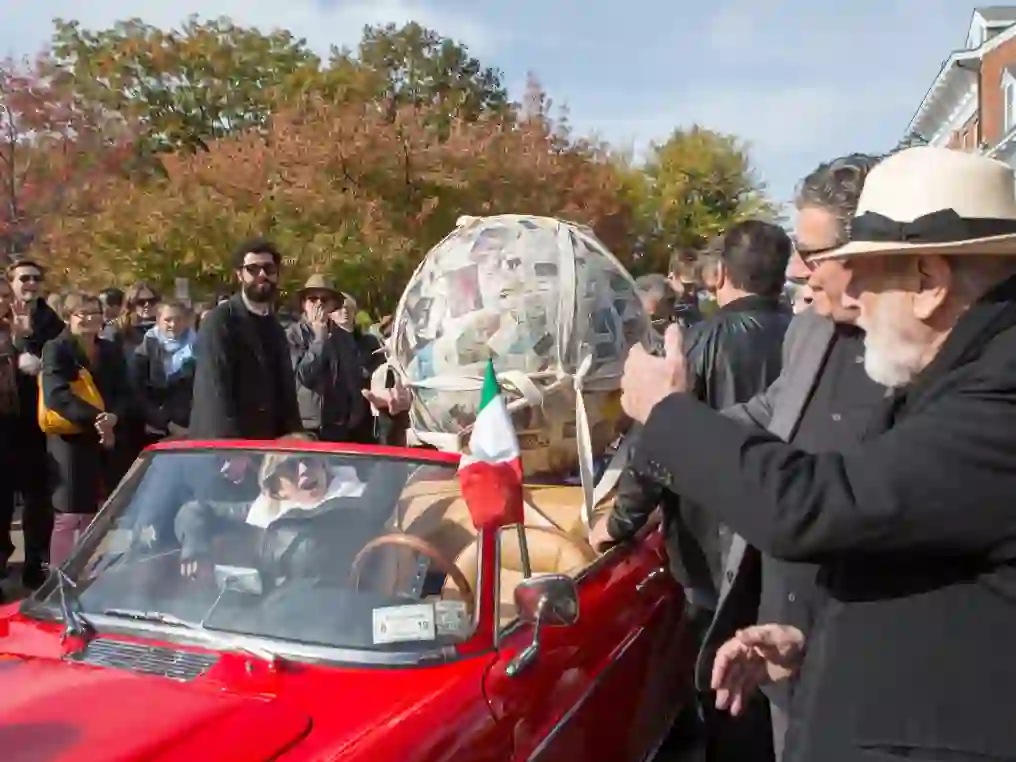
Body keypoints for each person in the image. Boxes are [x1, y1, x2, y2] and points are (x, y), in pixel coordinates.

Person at [620, 147, 1016, 762]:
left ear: (930, 283)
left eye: (867, 271)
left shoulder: (1000, 389)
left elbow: (823, 503)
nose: (845, 291)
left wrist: (667, 413)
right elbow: (950, 589)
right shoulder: (961, 371)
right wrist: (818, 642)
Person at [591, 219, 794, 761]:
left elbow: (657, 445)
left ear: (721, 272)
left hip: (713, 551)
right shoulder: (812, 340)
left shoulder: (699, 344)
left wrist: (616, 524)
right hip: (785, 542)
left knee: (725, 685)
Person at [41, 293, 132, 566]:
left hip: (107, 436)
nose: (91, 318)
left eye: (95, 312)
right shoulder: (56, 348)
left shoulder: (110, 349)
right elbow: (56, 395)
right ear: (68, 318)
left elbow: (125, 391)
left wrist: (114, 417)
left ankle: (86, 571)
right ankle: (60, 576)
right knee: (69, 515)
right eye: (83, 313)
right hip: (70, 439)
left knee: (96, 511)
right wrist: (97, 418)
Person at [188, 238, 301, 441]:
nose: (262, 275)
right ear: (239, 274)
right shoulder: (220, 321)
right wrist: (230, 448)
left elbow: (286, 394)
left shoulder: (275, 326)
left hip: (265, 452)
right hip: (225, 452)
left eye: (269, 269)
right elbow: (214, 389)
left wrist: (296, 438)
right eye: (253, 269)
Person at [5, 258, 64, 588]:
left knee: (38, 498)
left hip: (38, 421)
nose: (30, 283)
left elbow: (62, 356)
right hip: (5, 422)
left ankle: (35, 562)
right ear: (11, 282)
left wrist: (35, 354)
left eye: (36, 278)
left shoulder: (50, 320)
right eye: (24, 278)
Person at [287, 275, 363, 441]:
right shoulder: (292, 336)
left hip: (338, 428)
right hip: (305, 428)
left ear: (333, 305)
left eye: (325, 299)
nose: (319, 304)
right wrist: (319, 337)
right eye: (313, 299)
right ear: (304, 304)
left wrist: (355, 411)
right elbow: (303, 375)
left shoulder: (342, 336)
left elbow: (352, 375)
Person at [131, 300, 196, 441]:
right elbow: (137, 392)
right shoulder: (145, 349)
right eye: (168, 320)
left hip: (191, 428)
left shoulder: (198, 347)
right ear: (158, 320)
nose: (173, 325)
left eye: (178, 319)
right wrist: (166, 424)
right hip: (155, 429)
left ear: (186, 321)